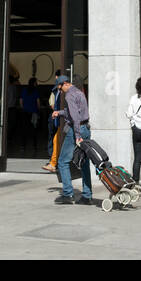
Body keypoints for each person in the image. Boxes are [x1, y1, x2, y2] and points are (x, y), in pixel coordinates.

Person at [52, 75, 92, 205]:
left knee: (63, 161)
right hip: (85, 128)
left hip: (77, 130)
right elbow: (75, 112)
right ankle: (87, 195)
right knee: (84, 162)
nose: (60, 91)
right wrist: (60, 112)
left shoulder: (69, 95)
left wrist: (77, 134)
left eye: (60, 88)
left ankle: (68, 194)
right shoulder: (79, 92)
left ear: (64, 84)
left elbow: (75, 117)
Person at [43, 79, 64, 174]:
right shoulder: (56, 92)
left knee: (57, 140)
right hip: (59, 120)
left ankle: (55, 163)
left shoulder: (68, 94)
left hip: (64, 121)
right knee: (55, 139)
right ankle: (53, 163)